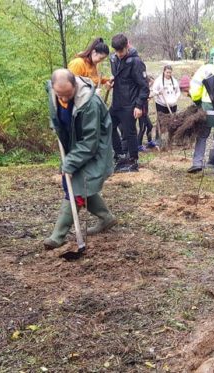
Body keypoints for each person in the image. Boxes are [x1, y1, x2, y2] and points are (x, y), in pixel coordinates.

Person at [43, 69, 115, 249]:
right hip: (74, 145)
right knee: (83, 184)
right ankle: (107, 218)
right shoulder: (54, 93)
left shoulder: (89, 104)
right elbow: (56, 110)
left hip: (94, 146)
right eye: (60, 95)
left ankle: (57, 236)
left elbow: (90, 142)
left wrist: (70, 162)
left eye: (68, 95)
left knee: (75, 186)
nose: (64, 99)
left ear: (75, 85)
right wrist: (55, 122)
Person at [109, 33, 149, 173]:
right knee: (108, 126)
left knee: (129, 131)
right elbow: (117, 77)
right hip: (116, 103)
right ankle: (120, 154)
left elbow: (144, 86)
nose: (119, 54)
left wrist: (139, 105)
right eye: (116, 51)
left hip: (130, 104)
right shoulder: (114, 59)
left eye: (121, 51)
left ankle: (133, 161)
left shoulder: (136, 62)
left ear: (127, 46)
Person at [138, 74, 155, 151]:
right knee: (142, 128)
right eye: (150, 83)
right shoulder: (142, 89)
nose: (151, 84)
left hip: (145, 112)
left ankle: (150, 141)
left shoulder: (146, 89)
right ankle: (139, 145)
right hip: (142, 112)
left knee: (150, 126)